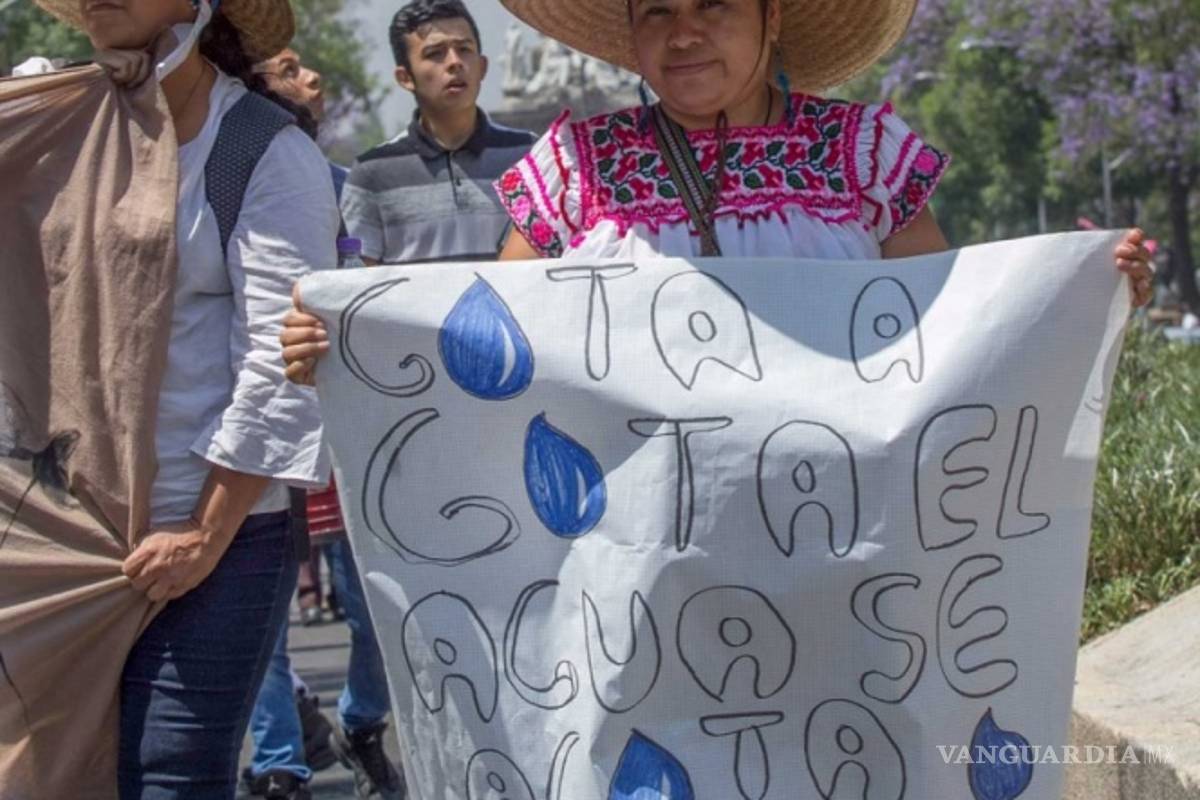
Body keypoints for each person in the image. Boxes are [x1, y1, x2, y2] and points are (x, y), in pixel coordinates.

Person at [282, 0, 1153, 391]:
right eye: (657, 9)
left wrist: (1081, 290)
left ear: (772, 16)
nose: (684, 30)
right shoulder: (573, 169)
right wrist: (353, 344)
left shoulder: (863, 155)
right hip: (634, 553)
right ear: (630, 30)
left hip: (847, 535)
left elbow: (957, 324)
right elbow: (498, 342)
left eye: (714, 4)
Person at [34, 0, 339, 795]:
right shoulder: (54, 127)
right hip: (62, 531)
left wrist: (202, 537)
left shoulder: (261, 153)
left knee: (168, 777)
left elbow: (283, 362)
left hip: (210, 539)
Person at [338, 0, 537, 266]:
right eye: (435, 53)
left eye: (464, 49)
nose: (455, 63)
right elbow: (356, 280)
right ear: (405, 78)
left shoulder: (530, 157)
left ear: (483, 67)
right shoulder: (372, 172)